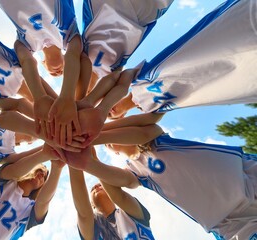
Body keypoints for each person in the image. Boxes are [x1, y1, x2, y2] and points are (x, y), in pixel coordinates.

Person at [74, 112, 257, 240]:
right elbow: (117, 186)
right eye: (107, 143)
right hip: (232, 223)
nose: (109, 140)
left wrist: (94, 133)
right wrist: (89, 156)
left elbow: (144, 130)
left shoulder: (156, 138)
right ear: (113, 152)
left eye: (111, 134)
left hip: (247, 177)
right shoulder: (136, 173)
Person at [111, 0, 257, 116]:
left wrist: (103, 108)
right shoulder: (153, 110)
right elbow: (144, 131)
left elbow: (121, 78)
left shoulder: (137, 80)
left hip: (235, 27)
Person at [0, 0, 87, 146]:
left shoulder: (24, 43)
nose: (58, 71)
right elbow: (74, 55)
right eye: (63, 70)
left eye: (54, 73)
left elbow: (27, 63)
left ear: (42, 63)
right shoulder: (70, 34)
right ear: (64, 57)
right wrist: (67, 96)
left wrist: (39, 97)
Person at [82, 0, 174, 93]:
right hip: (138, 16)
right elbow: (122, 87)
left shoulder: (77, 54)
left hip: (117, 10)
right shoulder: (112, 75)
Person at [67, 147, 155, 239]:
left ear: (110, 192)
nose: (96, 187)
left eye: (100, 185)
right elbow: (83, 213)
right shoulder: (94, 225)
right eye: (93, 189)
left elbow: (121, 197)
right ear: (92, 204)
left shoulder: (128, 214)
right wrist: (73, 155)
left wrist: (94, 159)